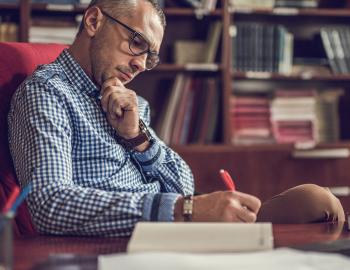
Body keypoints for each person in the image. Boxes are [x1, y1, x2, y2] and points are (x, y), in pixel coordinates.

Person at [8, 0, 344, 236]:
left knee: (316, 204)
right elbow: (50, 205)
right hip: (127, 244)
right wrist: (183, 212)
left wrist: (138, 139)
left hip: (172, 232)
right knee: (315, 208)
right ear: (94, 21)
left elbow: (184, 184)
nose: (141, 64)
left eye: (150, 55)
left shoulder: (128, 102)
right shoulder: (48, 93)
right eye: (136, 42)